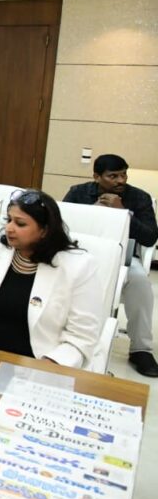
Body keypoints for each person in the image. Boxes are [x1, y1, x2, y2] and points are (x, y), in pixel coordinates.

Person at [0, 190, 102, 369]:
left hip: (35, 362)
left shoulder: (78, 267)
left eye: (20, 223)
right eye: (8, 220)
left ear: (45, 230)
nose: (9, 228)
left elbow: (82, 337)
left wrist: (48, 365)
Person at [63, 155, 157, 377]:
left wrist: (124, 213)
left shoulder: (139, 197)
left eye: (124, 175)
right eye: (113, 176)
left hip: (123, 258)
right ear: (97, 177)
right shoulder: (78, 193)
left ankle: (141, 349)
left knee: (141, 283)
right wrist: (93, 213)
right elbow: (62, 225)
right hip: (79, 254)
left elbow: (150, 238)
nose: (121, 180)